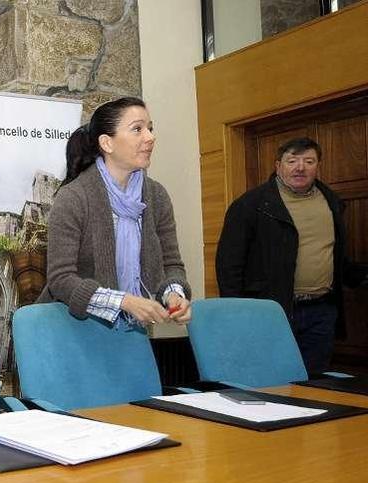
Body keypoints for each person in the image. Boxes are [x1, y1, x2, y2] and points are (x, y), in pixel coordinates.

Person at [38, 97, 192, 330]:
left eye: (150, 128)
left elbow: (172, 264)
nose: (150, 137)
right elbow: (61, 279)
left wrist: (174, 294)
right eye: (137, 129)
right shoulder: (73, 197)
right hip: (70, 332)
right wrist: (124, 301)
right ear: (107, 143)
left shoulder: (157, 196)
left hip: (133, 331)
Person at [216, 137, 366, 374]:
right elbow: (229, 265)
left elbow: (333, 257)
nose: (300, 167)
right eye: (292, 160)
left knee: (315, 384)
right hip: (272, 312)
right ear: (278, 166)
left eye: (309, 161)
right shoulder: (250, 205)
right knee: (273, 381)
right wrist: (237, 315)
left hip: (321, 312)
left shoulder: (332, 203)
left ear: (318, 166)